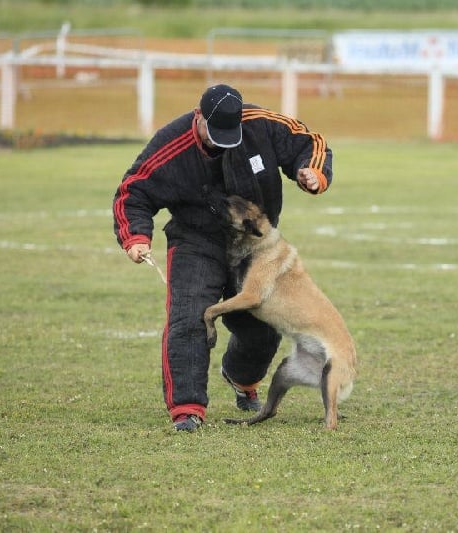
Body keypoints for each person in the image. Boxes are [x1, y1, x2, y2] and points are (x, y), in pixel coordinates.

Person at [112, 84, 334, 432]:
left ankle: (241, 378)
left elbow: (309, 142)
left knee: (262, 328)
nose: (221, 143)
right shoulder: (171, 145)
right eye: (216, 136)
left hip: (254, 245)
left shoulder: (260, 124)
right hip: (195, 240)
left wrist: (312, 172)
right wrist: (136, 237)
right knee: (189, 318)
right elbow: (133, 190)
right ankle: (187, 410)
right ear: (198, 117)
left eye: (230, 137)